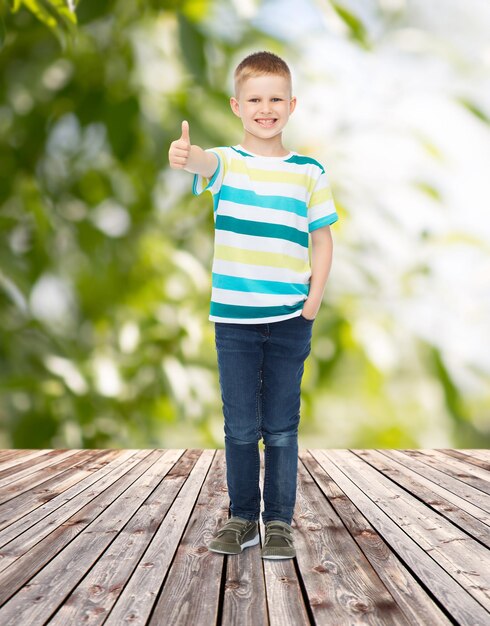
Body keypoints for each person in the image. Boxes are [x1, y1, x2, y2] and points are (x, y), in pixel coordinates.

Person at [168, 50, 338, 559]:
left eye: (276, 98)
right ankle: (242, 517)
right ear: (237, 105)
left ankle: (279, 522)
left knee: (282, 426)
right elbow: (203, 161)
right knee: (240, 425)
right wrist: (186, 155)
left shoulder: (309, 172)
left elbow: (323, 241)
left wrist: (311, 304)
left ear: (292, 104)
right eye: (255, 99)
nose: (266, 108)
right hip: (235, 322)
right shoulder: (227, 164)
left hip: (290, 319)